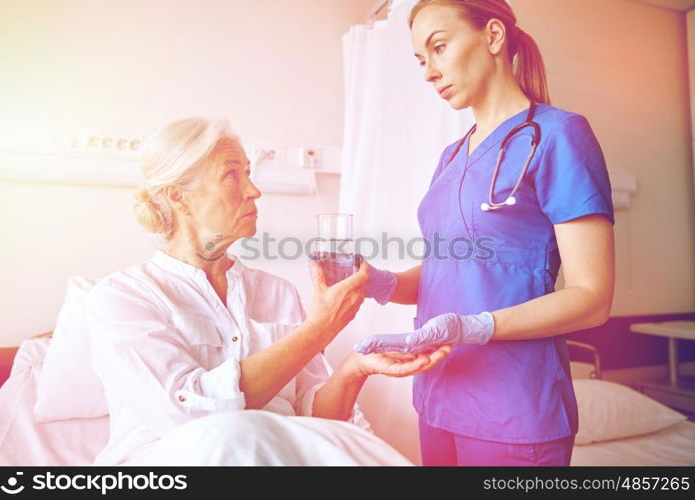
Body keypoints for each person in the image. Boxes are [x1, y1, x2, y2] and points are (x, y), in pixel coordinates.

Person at [85, 117, 450, 466]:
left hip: (276, 456)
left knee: (352, 443)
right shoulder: (123, 298)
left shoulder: (276, 293)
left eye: (248, 173)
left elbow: (318, 416)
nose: (254, 190)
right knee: (234, 433)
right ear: (179, 198)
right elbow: (190, 414)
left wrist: (355, 368)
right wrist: (320, 328)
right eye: (231, 175)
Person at [350, 0, 615, 466]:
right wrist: (381, 282)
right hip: (438, 395)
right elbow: (449, 272)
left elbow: (593, 297)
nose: (429, 72)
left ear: (493, 37)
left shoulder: (558, 135)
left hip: (514, 409)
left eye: (439, 47)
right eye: (420, 60)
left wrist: (476, 326)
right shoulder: (451, 157)